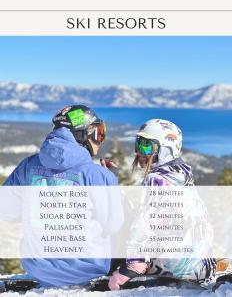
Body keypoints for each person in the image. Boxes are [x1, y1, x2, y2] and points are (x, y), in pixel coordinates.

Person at [3, 105, 123, 287]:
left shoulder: (27, 167)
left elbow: (7, 211)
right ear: (82, 134)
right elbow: (114, 225)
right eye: (98, 133)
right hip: (88, 271)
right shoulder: (98, 175)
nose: (100, 140)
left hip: (38, 269)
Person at [109, 119, 216, 290]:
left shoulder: (157, 180)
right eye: (138, 144)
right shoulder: (182, 175)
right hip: (201, 265)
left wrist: (133, 266)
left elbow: (144, 226)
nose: (139, 152)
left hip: (175, 266)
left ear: (165, 149)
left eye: (147, 146)